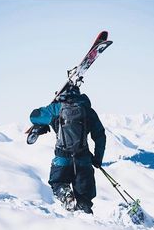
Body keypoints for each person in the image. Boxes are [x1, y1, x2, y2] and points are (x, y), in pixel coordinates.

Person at [30, 84, 106, 214]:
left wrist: (47, 118)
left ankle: (65, 195)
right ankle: (86, 219)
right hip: (84, 161)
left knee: (58, 183)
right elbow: (100, 136)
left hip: (62, 159)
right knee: (85, 200)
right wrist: (97, 158)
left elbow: (34, 116)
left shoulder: (56, 109)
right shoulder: (88, 111)